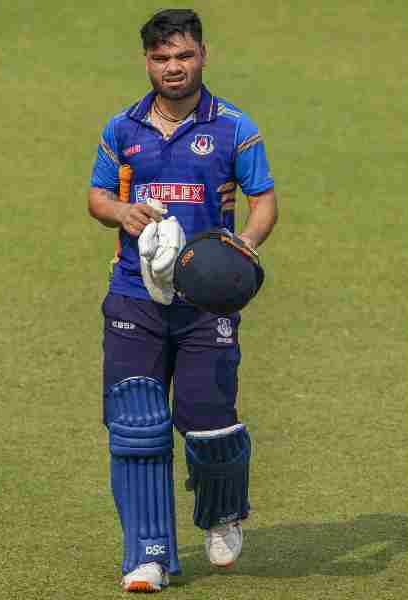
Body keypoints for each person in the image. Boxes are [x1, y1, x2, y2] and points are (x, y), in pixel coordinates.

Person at [87, 8, 278, 593]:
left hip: (205, 305)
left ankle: (222, 514)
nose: (173, 67)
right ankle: (147, 555)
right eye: (162, 57)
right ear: (148, 61)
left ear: (203, 56)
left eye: (184, 55)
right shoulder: (122, 129)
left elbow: (263, 201)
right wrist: (122, 210)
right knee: (136, 424)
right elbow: (98, 196)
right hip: (134, 298)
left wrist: (242, 246)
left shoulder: (234, 128)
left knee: (208, 420)